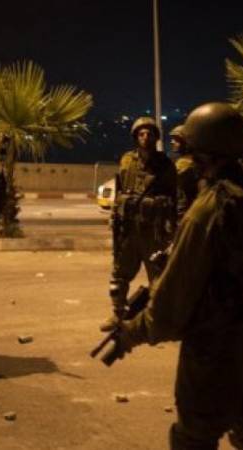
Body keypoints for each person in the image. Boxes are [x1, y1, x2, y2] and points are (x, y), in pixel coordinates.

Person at [113, 102, 243, 450]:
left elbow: (172, 299)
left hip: (212, 347)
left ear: (204, 152)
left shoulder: (210, 208)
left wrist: (131, 333)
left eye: (191, 149)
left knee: (194, 436)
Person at [103, 117, 177, 331]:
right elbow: (120, 189)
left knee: (158, 277)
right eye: (141, 133)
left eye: (149, 133)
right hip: (128, 228)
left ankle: (157, 319)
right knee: (119, 276)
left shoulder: (165, 165)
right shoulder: (127, 160)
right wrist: (114, 216)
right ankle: (118, 315)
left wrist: (170, 225)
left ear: (156, 137)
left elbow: (174, 196)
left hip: (152, 230)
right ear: (135, 137)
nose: (145, 137)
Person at [170, 124, 199, 221]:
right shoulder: (186, 160)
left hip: (185, 211)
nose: (172, 142)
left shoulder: (185, 163)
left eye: (176, 140)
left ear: (186, 143)